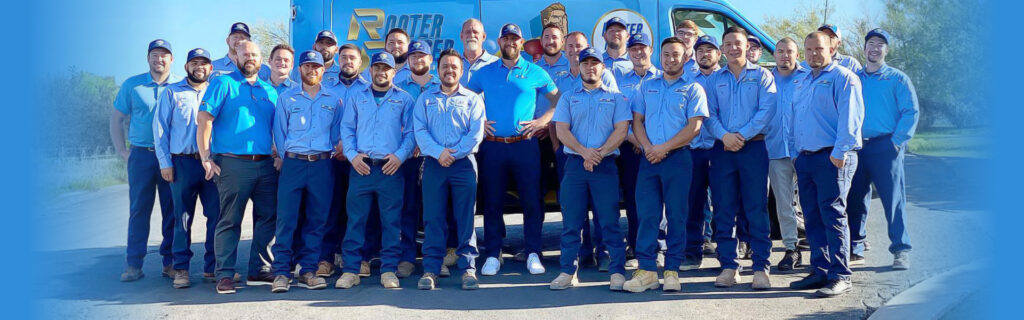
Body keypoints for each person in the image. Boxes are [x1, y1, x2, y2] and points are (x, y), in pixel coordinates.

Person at [465, 23, 559, 276]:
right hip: (493, 148)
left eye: (514, 39)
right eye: (506, 38)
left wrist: (542, 121)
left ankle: (533, 253)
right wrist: (478, 122)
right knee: (493, 202)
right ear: (499, 42)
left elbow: (557, 100)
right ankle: (494, 254)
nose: (510, 43)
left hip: (525, 146)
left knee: (532, 202)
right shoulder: (485, 72)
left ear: (521, 43)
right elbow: (466, 100)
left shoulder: (535, 72)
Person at [623, 36, 708, 293]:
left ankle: (672, 269)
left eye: (676, 54)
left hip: (678, 160)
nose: (671, 59)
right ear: (660, 57)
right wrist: (649, 147)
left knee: (676, 215)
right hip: (648, 160)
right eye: (666, 54)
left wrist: (663, 148)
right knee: (647, 215)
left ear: (685, 58)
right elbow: (637, 121)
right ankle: (647, 270)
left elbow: (694, 127)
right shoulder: (646, 86)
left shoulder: (694, 89)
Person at [197, 40, 279, 294]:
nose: (250, 57)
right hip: (233, 164)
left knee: (268, 218)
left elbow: (276, 128)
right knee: (230, 220)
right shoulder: (223, 84)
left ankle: (259, 269)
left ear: (261, 58)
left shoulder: (269, 90)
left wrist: (278, 153)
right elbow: (204, 120)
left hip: (265, 164)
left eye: (254, 54)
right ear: (235, 57)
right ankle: (224, 274)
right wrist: (206, 157)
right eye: (245, 54)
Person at [787, 31, 864, 298]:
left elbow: (850, 120)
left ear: (831, 49)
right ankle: (819, 270)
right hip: (806, 158)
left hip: (832, 157)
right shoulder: (802, 80)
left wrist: (840, 152)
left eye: (818, 49)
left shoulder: (843, 78)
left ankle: (841, 275)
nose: (812, 54)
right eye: (808, 50)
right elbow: (794, 117)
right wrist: (795, 152)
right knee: (812, 216)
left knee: (833, 215)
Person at [548, 48, 630, 291]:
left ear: (603, 68)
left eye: (595, 63)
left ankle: (616, 272)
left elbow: (621, 130)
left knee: (610, 221)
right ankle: (567, 271)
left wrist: (598, 153)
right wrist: (585, 152)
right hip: (575, 166)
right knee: (572, 221)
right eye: (586, 63)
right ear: (579, 67)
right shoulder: (568, 97)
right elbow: (562, 130)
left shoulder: (617, 98)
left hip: (605, 165)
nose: (590, 67)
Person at [335, 52, 416, 290]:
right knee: (355, 221)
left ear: (394, 72)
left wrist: (400, 156)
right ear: (370, 70)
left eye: (386, 68)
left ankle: (388, 270)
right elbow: (347, 129)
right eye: (377, 67)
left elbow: (411, 133)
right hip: (361, 168)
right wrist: (352, 156)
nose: (381, 72)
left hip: (390, 170)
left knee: (391, 222)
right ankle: (351, 270)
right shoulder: (357, 98)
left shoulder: (404, 99)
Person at [705, 27, 777, 290]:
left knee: (756, 208)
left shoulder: (762, 76)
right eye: (728, 44)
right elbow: (709, 114)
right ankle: (729, 266)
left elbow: (766, 111)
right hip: (722, 150)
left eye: (738, 43)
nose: (733, 48)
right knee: (724, 208)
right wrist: (725, 137)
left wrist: (741, 136)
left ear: (747, 47)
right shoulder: (714, 80)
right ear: (722, 49)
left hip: (754, 149)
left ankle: (761, 267)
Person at [413, 48, 487, 290]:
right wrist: (439, 153)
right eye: (445, 66)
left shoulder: (473, 99)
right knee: (433, 219)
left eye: (454, 66)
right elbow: (420, 131)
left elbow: (475, 134)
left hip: (463, 165)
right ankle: (431, 269)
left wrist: (453, 154)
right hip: (435, 164)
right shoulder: (425, 99)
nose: (449, 70)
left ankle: (468, 269)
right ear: (438, 69)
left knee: (465, 218)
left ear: (461, 70)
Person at [268, 51, 342, 293]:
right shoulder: (287, 99)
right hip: (294, 164)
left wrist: (328, 152)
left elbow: (336, 132)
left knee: (317, 219)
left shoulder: (333, 99)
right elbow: (279, 133)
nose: (312, 70)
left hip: (322, 164)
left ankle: (308, 270)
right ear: (300, 69)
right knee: (286, 219)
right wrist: (283, 156)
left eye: (317, 67)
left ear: (323, 70)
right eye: (307, 66)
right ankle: (281, 272)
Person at [848, 28, 917, 269]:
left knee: (893, 200)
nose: (874, 48)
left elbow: (910, 112)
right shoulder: (854, 78)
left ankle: (901, 249)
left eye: (880, 44)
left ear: (886, 50)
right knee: (855, 199)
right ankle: (855, 247)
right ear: (864, 48)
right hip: (857, 148)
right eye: (871, 43)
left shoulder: (897, 79)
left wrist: (896, 141)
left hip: (886, 147)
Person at [113, 39, 181, 282]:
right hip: (141, 155)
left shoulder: (180, 86)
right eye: (154, 54)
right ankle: (133, 264)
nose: (159, 59)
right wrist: (123, 151)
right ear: (148, 58)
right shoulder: (133, 85)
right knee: (139, 209)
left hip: (171, 157)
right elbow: (116, 118)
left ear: (171, 59)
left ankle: (170, 262)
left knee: (171, 210)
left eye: (164, 55)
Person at [153, 47, 215, 288]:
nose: (199, 67)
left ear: (210, 68)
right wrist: (165, 163)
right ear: (186, 67)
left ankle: (213, 267)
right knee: (182, 218)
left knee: (216, 216)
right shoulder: (172, 92)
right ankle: (181, 268)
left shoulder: (217, 91)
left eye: (204, 63)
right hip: (182, 162)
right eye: (194, 63)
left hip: (211, 162)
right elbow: (160, 130)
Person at [316, 43, 375, 278]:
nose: (348, 61)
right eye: (344, 58)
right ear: (338, 61)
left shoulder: (370, 89)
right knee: (331, 209)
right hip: (333, 158)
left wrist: (350, 148)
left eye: (353, 58)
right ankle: (327, 258)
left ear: (360, 63)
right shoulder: (327, 90)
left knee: (362, 211)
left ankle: (362, 258)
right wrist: (336, 145)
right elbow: (323, 123)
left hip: (360, 159)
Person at [393, 40, 442, 278]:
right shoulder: (399, 87)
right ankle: (407, 257)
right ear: (408, 60)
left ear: (430, 60)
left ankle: (436, 257)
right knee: (408, 207)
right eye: (413, 56)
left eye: (422, 56)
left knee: (435, 209)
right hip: (408, 157)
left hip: (435, 156)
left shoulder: (441, 85)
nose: (417, 59)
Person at [614, 32, 662, 268]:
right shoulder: (621, 82)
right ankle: (635, 245)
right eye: (633, 49)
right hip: (631, 150)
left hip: (663, 149)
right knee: (635, 200)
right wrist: (639, 143)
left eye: (642, 48)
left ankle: (662, 246)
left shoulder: (663, 78)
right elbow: (621, 118)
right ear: (628, 52)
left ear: (650, 50)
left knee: (664, 201)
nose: (638, 53)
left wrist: (653, 146)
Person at [767, 37, 809, 272]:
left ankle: (820, 251)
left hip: (804, 150)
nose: (785, 56)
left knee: (810, 202)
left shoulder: (807, 77)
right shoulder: (766, 79)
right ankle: (791, 249)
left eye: (789, 51)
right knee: (784, 204)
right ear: (774, 54)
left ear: (797, 54)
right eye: (780, 51)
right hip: (775, 150)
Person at [685, 35, 722, 271]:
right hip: (694, 149)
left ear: (719, 54)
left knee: (725, 204)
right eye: (700, 51)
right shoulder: (688, 80)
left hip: (721, 148)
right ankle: (692, 253)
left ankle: (728, 256)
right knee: (693, 204)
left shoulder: (727, 78)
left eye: (710, 50)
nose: (704, 54)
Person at [458, 18, 500, 86]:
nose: (471, 35)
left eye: (475, 32)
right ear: (461, 36)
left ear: (483, 37)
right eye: (468, 32)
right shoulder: (454, 65)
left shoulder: (497, 63)